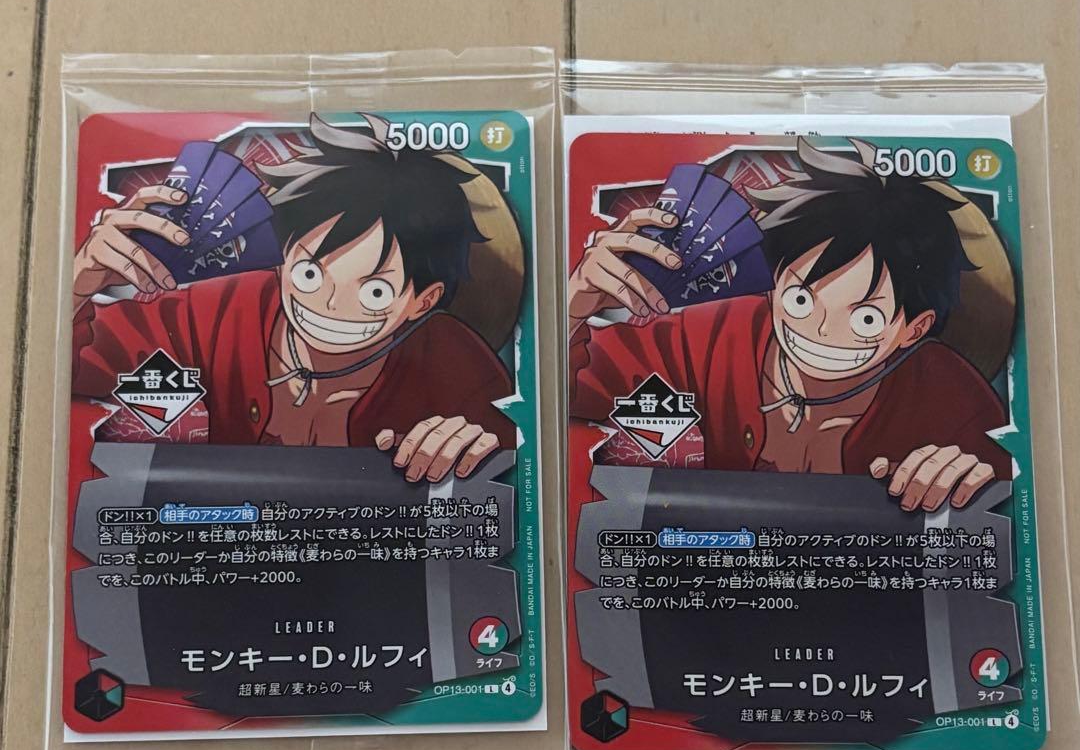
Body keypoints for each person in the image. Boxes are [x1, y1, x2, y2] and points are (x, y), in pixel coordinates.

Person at [568, 138, 1010, 512]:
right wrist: (572, 308)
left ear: (914, 328)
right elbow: (567, 396)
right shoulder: (710, 337)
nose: (820, 330)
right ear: (774, 282)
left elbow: (1003, 504)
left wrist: (969, 483)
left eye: (866, 318)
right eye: (800, 299)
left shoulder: (953, 401)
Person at [71, 114, 514, 483]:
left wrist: (472, 449)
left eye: (374, 291)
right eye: (309, 274)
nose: (330, 305)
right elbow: (75, 371)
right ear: (282, 259)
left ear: (423, 301)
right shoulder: (216, 313)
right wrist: (77, 286)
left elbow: (512, 464)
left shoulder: (456, 367)